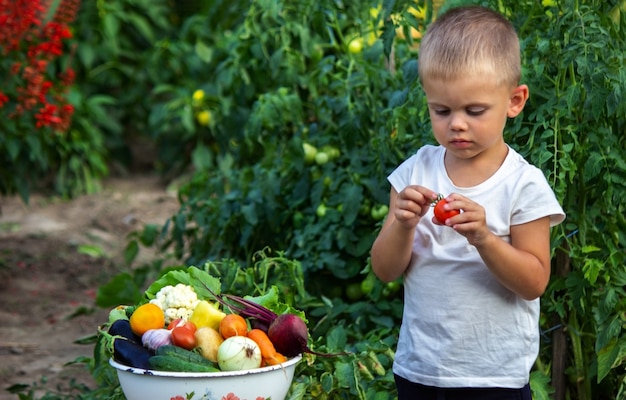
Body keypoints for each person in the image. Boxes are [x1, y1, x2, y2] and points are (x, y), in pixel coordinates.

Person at [370, 5, 565, 400]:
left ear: (515, 100)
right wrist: (403, 225)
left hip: (494, 378)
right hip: (421, 372)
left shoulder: (523, 184)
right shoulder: (414, 172)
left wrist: (486, 239)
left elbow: (534, 281)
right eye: (441, 110)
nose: (456, 123)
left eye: (474, 111)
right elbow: (385, 270)